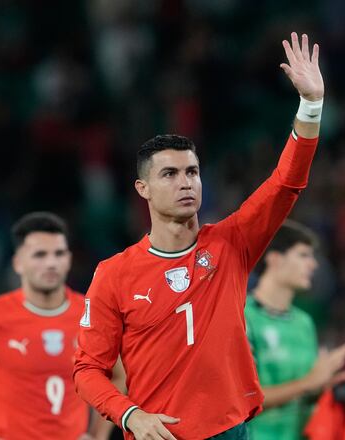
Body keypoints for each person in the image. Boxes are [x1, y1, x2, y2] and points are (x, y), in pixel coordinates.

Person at [74, 32, 324, 440]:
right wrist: (129, 414)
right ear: (143, 189)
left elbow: (286, 184)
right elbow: (87, 369)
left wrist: (311, 105)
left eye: (192, 172)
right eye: (169, 175)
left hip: (230, 431)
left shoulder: (232, 243)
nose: (185, 182)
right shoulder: (114, 274)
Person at [0, 212, 123, 440]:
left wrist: (97, 435)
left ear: (69, 259)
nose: (51, 263)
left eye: (59, 253)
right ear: (18, 263)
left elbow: (118, 376)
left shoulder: (92, 314)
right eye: (40, 255)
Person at [245, 220, 345, 440]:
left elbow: (306, 392)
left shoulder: (303, 322)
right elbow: (242, 399)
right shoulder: (243, 316)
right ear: (275, 258)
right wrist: (309, 383)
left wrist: (328, 387)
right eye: (303, 255)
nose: (313, 264)